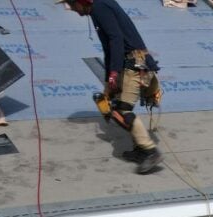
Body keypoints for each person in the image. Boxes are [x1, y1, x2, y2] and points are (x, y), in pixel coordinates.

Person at [61, 0, 163, 175]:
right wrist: (109, 78)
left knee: (122, 110)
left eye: (72, 3)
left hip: (134, 63)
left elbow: (116, 39)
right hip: (129, 63)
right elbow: (109, 47)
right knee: (114, 106)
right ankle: (140, 149)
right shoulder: (97, 8)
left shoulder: (99, 7)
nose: (70, 8)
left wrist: (114, 72)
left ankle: (150, 151)